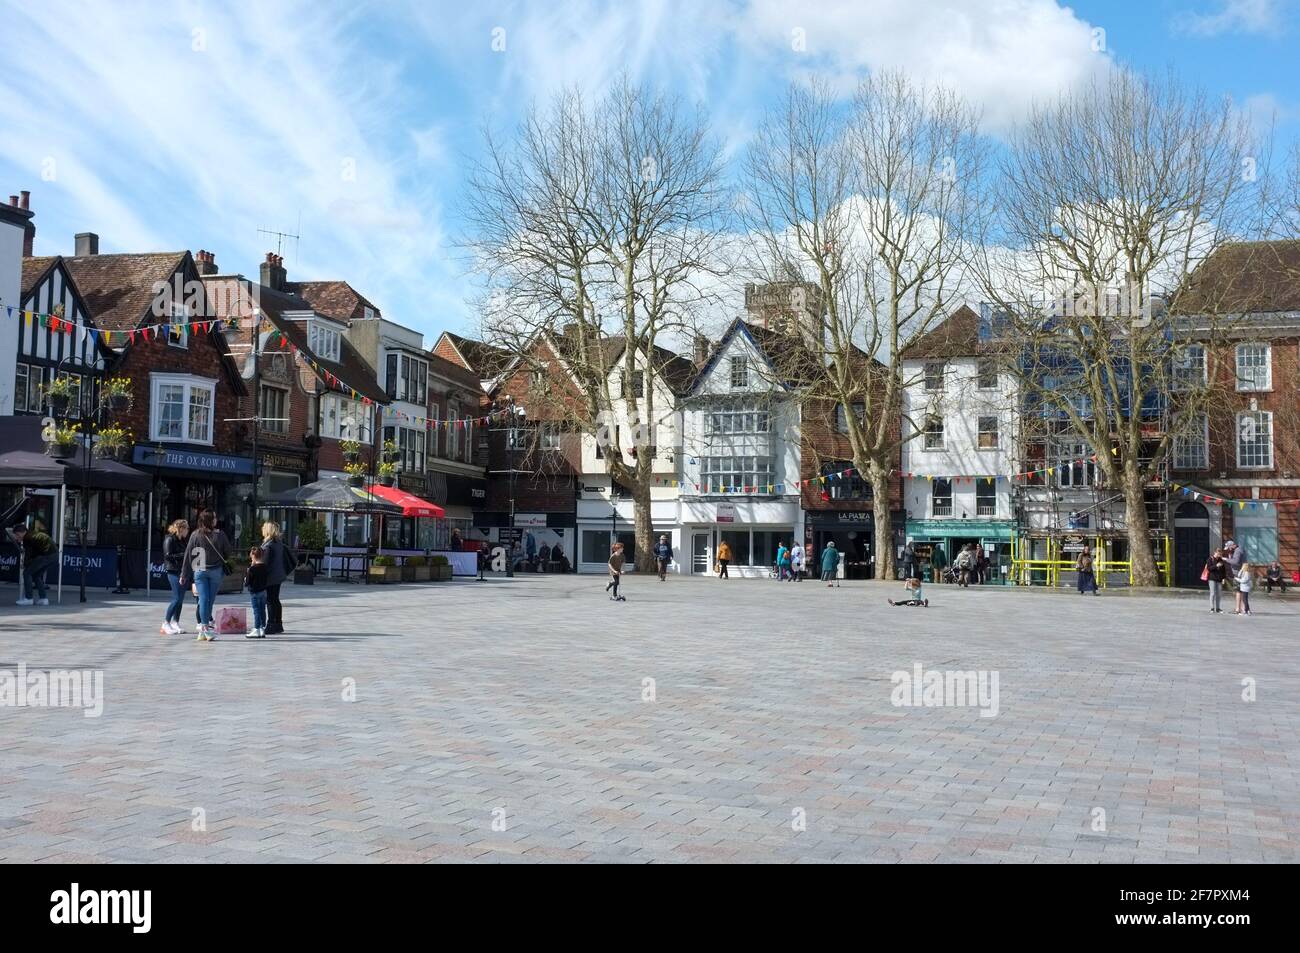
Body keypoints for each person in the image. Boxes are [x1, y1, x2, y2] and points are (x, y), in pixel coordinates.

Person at [179, 510, 234, 642]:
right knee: (209, 600)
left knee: (203, 599)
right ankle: (205, 628)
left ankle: (203, 628)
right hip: (215, 571)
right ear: (210, 520)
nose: (216, 520)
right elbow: (228, 552)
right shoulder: (220, 535)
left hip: (199, 570)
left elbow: (188, 554)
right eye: (214, 518)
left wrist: (184, 574)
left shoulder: (195, 534)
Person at [259, 521, 295, 635]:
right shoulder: (278, 543)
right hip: (278, 575)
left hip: (271, 576)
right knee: (275, 600)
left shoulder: (268, 545)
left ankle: (271, 625)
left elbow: (265, 563)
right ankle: (278, 624)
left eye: (264, 527)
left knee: (270, 600)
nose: (262, 529)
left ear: (268, 530)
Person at [11, 521, 57, 607]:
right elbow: (33, 553)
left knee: (27, 573)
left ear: (21, 532)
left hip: (46, 555)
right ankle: (43, 599)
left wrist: (25, 565)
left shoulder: (27, 538)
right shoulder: (32, 534)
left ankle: (29, 599)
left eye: (17, 535)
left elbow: (28, 555)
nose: (16, 538)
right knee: (36, 575)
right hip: (54, 555)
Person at [160, 519, 190, 634]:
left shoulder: (182, 540)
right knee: (177, 598)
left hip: (182, 571)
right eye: (186, 528)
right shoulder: (169, 539)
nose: (188, 530)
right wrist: (183, 555)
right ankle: (166, 623)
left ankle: (175, 622)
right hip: (173, 571)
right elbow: (168, 556)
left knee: (180, 599)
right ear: (181, 529)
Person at [246, 547, 270, 639]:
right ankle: (262, 628)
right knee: (262, 609)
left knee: (256, 611)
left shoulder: (252, 569)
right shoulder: (265, 567)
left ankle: (256, 628)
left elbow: (247, 582)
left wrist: (248, 573)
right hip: (263, 591)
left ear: (253, 556)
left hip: (254, 592)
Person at [1204, 549, 1228, 613]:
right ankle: (1212, 608)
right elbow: (1209, 568)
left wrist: (1223, 578)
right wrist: (1216, 566)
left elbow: (1223, 570)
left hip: (1219, 579)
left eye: (1220, 554)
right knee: (1213, 593)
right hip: (1212, 578)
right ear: (1215, 552)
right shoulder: (1210, 559)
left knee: (1219, 594)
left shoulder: (1221, 560)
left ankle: (1218, 608)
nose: (1219, 555)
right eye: (1218, 554)